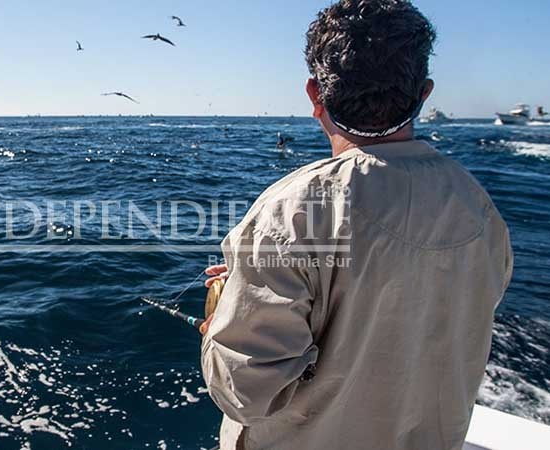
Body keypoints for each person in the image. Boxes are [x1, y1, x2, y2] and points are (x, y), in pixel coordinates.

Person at [199, 1, 513, 449]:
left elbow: (246, 394)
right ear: (423, 93)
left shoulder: (290, 212)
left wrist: (223, 319)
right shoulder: (480, 210)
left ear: (314, 95)